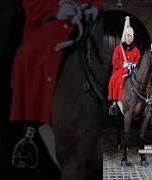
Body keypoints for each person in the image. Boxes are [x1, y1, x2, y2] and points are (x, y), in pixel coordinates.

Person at [9, 0, 103, 169]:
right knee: (25, 55)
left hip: (88, 20)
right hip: (55, 21)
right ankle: (32, 125)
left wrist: (95, 7)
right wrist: (56, 10)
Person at [108, 16, 141, 115]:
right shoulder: (119, 48)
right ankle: (115, 102)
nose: (130, 38)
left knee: (145, 80)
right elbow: (115, 61)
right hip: (121, 69)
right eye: (128, 36)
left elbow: (138, 60)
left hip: (133, 70)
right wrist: (124, 64)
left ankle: (149, 100)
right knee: (114, 79)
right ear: (125, 36)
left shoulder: (135, 49)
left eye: (131, 36)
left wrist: (134, 64)